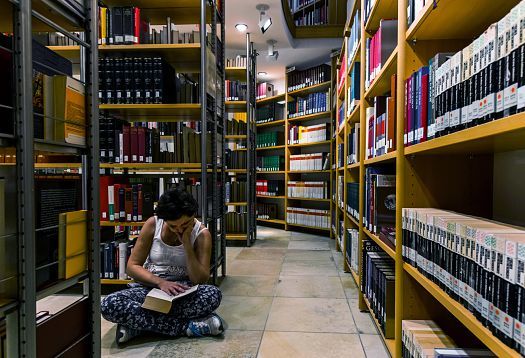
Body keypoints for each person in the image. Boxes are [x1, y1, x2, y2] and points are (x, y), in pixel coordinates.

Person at [101, 187, 224, 345]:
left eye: (185, 224)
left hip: (183, 291)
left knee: (213, 295)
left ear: (194, 215)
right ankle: (187, 326)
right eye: (173, 226)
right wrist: (160, 282)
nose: (179, 229)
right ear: (165, 220)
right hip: (149, 287)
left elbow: (199, 279)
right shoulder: (153, 224)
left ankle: (139, 325)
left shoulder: (202, 234)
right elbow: (132, 266)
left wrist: (186, 243)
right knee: (109, 304)